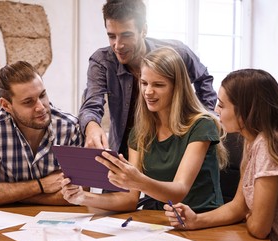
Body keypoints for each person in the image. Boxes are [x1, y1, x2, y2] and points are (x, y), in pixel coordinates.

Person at [164, 69, 278, 241]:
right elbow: (239, 207)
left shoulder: (269, 145)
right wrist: (196, 220)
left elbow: (259, 228)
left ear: (246, 111)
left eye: (222, 105)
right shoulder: (252, 141)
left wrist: (251, 216)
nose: (216, 110)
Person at [62, 47, 227, 212]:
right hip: (158, 220)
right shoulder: (140, 132)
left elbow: (179, 191)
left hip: (202, 220)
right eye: (144, 83)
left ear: (177, 88)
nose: (148, 92)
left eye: (158, 85)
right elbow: (129, 199)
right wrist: (82, 197)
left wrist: (137, 179)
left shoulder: (202, 125)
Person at [79, 0, 217, 158]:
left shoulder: (176, 52)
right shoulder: (101, 62)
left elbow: (204, 79)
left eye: (126, 35)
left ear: (143, 30)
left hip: (173, 150)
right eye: (111, 36)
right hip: (126, 152)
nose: (117, 45)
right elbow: (91, 105)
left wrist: (205, 122)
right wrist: (92, 126)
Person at [0, 61, 83, 207]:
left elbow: (80, 193)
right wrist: (40, 186)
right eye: (28, 102)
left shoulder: (70, 127)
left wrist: (14, 196)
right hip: (4, 220)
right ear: (6, 105)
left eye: (42, 95)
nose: (40, 107)